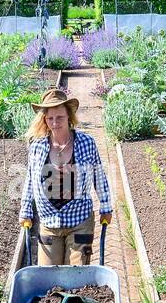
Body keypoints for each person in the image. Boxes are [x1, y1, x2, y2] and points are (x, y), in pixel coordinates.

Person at [19, 88, 113, 266]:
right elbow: (30, 180)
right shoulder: (37, 146)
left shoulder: (86, 143)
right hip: (48, 221)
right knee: (47, 278)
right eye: (50, 118)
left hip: (80, 220)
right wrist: (25, 211)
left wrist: (106, 206)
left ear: (69, 116)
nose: (55, 123)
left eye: (60, 117)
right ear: (44, 119)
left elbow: (98, 175)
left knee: (76, 276)